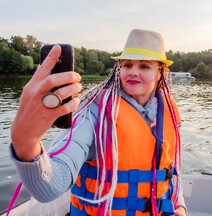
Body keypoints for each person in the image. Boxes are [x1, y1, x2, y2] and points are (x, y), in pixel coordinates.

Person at [10, 29, 186, 216]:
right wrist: (26, 142)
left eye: (144, 66)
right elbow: (49, 187)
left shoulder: (167, 112)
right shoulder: (94, 113)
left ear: (160, 73)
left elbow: (170, 170)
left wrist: (179, 206)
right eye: (127, 65)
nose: (133, 72)